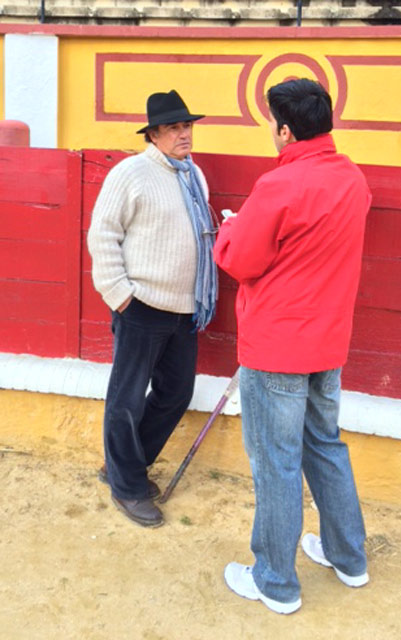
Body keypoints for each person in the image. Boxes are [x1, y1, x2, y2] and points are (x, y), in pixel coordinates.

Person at [213, 79, 372, 614]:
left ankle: (275, 581)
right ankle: (348, 556)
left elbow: (239, 260)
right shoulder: (352, 179)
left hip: (277, 345)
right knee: (326, 446)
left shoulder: (278, 186)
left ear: (284, 130)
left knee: (276, 463)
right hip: (328, 342)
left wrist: (230, 231)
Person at [88, 90, 218, 527]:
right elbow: (102, 233)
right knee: (125, 399)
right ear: (155, 134)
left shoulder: (194, 176)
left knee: (176, 392)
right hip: (141, 303)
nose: (185, 134)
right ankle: (127, 485)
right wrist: (119, 293)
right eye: (175, 128)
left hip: (185, 307)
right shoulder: (131, 172)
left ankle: (124, 465)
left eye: (188, 126)